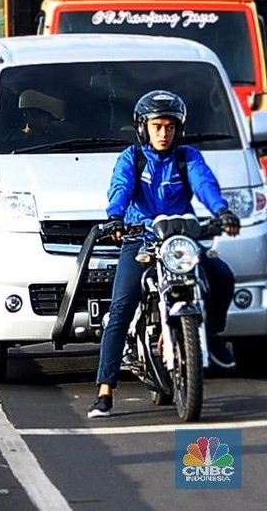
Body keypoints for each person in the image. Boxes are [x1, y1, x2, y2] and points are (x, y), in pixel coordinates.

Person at [88, 90, 241, 419]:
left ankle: (211, 335)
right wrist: (115, 217)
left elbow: (205, 184)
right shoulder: (132, 157)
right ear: (142, 127)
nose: (163, 133)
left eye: (170, 127)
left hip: (181, 241)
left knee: (222, 276)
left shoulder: (188, 157)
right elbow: (120, 187)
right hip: (140, 240)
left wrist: (222, 211)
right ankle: (105, 390)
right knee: (121, 308)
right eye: (156, 126)